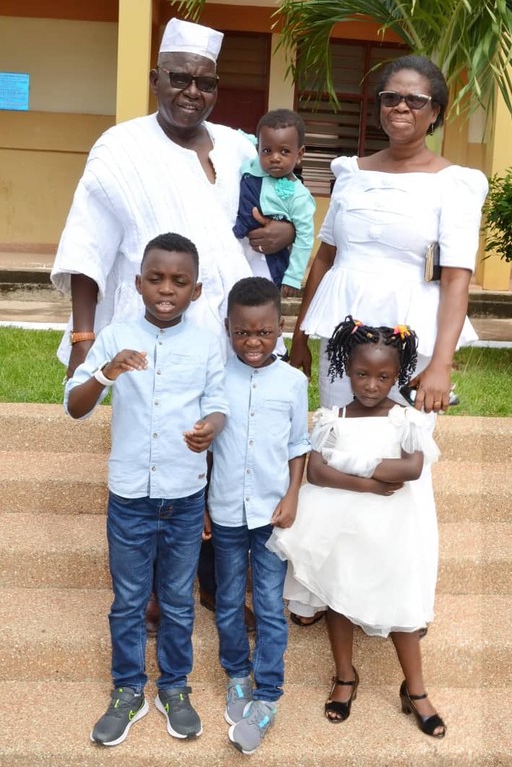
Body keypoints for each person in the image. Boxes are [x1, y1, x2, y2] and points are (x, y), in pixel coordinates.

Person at [52, 17, 292, 626]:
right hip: (155, 322)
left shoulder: (239, 146)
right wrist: (84, 338)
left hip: (231, 328)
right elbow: (87, 247)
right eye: (180, 78)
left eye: (205, 83)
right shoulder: (121, 147)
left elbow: (278, 201)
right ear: (155, 77)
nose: (192, 92)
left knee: (223, 445)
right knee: (162, 443)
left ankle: (213, 579)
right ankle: (155, 585)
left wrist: (285, 230)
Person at [65, 232, 228, 746]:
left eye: (179, 281)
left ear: (196, 290)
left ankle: (174, 687)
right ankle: (128, 690)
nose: (166, 289)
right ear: (137, 283)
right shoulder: (115, 336)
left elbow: (219, 403)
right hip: (130, 497)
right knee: (129, 600)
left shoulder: (207, 343)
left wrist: (211, 428)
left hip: (184, 496)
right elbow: (74, 405)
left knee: (178, 601)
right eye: (156, 279)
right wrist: (106, 373)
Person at [268, 317, 446, 738]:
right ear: (347, 369)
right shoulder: (332, 418)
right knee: (338, 596)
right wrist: (369, 482)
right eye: (362, 374)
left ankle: (416, 689)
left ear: (397, 375)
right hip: (342, 526)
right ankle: (345, 676)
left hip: (393, 528)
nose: (371, 385)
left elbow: (411, 468)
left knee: (401, 602)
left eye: (383, 377)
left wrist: (349, 466)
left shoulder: (405, 419)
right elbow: (317, 472)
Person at [289, 54, 488, 414]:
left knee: (403, 436)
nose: (401, 106)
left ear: (435, 112)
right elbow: (325, 259)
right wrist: (300, 338)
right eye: (391, 97)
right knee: (338, 427)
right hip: (341, 326)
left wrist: (441, 365)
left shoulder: (455, 183)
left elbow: (456, 279)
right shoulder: (351, 174)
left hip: (411, 330)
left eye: (415, 100)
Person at [206, 277, 310, 755]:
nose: (253, 341)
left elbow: (297, 446)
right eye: (242, 332)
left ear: (280, 327)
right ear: (228, 328)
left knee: (268, 604)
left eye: (264, 332)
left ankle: (268, 694)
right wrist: (203, 504)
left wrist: (292, 496)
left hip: (271, 513)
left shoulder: (293, 382)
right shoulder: (215, 377)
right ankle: (237, 675)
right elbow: (205, 449)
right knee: (229, 600)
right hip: (226, 510)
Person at [233, 109, 316, 299]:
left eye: (284, 151)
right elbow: (240, 137)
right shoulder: (254, 165)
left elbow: (305, 238)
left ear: (300, 154)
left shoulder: (299, 196)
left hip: (268, 261)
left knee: (260, 302)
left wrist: (293, 277)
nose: (275, 157)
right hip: (237, 253)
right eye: (267, 151)